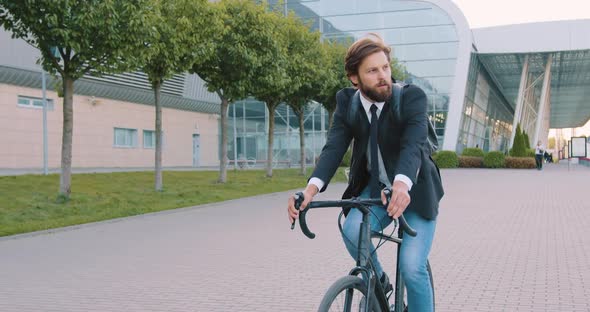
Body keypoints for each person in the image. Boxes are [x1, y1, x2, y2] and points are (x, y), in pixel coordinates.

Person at [287, 33, 443, 312]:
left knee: (411, 267)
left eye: (385, 67)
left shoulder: (411, 98)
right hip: (375, 189)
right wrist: (309, 191)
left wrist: (402, 185)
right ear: (354, 78)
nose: (383, 75)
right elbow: (334, 148)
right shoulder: (348, 104)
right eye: (372, 70)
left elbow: (412, 147)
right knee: (350, 229)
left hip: (415, 191)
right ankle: (379, 282)